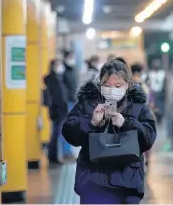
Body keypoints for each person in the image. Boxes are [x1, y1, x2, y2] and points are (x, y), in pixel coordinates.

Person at [62, 58, 157, 204]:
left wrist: (126, 123)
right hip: (93, 183)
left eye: (118, 85)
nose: (112, 89)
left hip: (127, 184)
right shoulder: (87, 103)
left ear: (127, 85)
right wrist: (91, 122)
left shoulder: (138, 106)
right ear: (100, 83)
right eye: (107, 85)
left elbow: (148, 138)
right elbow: (68, 132)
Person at [44, 59, 69, 165]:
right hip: (57, 110)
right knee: (56, 134)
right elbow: (56, 97)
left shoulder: (58, 78)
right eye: (58, 64)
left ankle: (53, 156)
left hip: (60, 109)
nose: (60, 67)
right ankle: (53, 157)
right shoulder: (52, 79)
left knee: (56, 133)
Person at [62, 50, 78, 158]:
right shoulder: (63, 71)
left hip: (72, 100)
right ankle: (66, 152)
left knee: (71, 126)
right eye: (70, 57)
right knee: (66, 126)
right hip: (66, 101)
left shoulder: (71, 70)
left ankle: (68, 151)